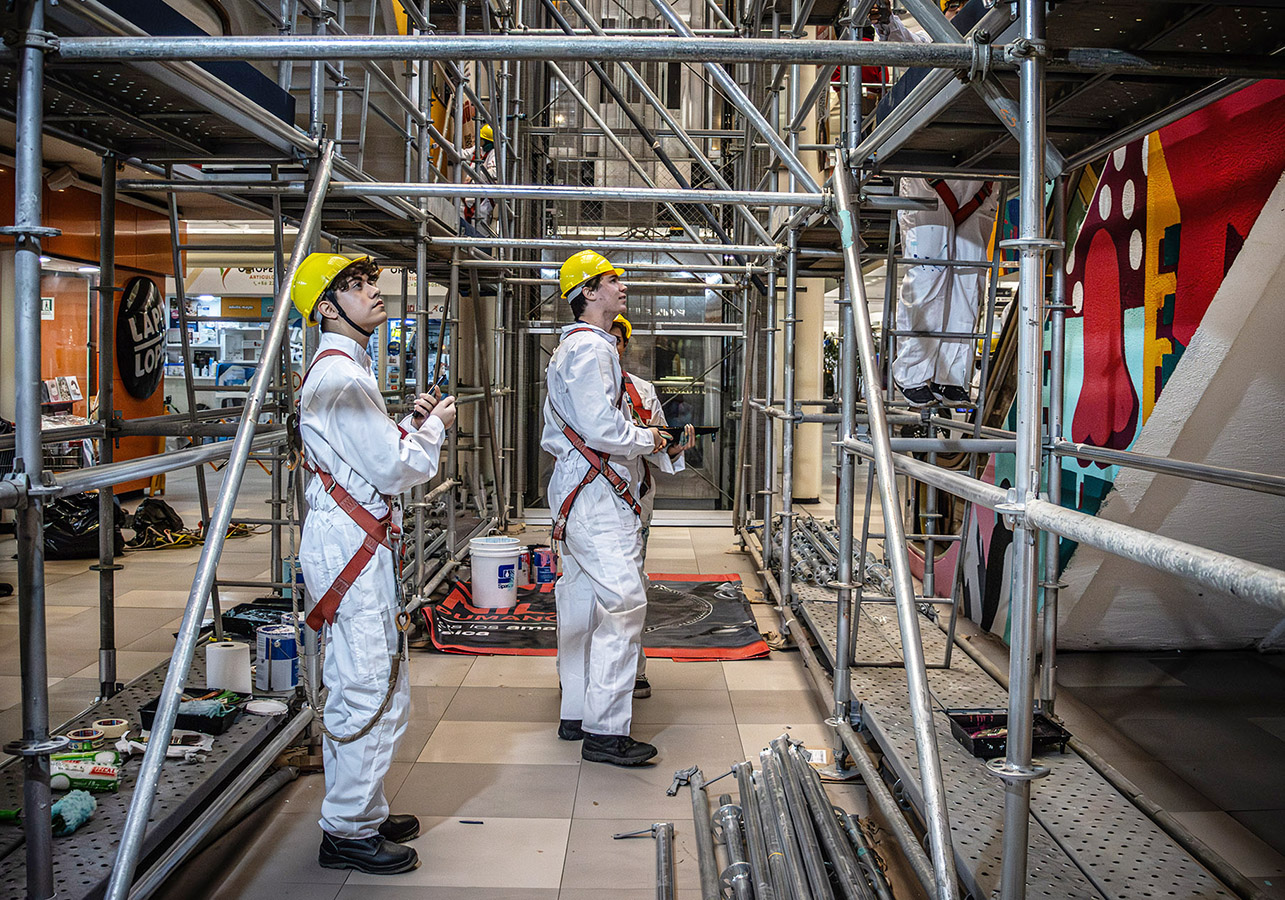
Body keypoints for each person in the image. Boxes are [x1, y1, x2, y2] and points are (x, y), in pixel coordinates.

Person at [292, 253, 456, 874]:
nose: (373, 291)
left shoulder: (350, 371)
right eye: (356, 287)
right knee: (366, 683)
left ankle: (364, 804)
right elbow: (394, 468)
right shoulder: (340, 377)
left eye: (371, 282)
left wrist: (408, 425)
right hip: (351, 547)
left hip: (356, 541)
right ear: (327, 308)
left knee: (380, 679)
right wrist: (432, 431)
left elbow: (369, 454)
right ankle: (347, 830)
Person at [542, 250, 669, 766]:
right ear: (588, 292)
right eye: (613, 280)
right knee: (622, 605)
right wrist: (648, 438)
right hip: (597, 495)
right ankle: (606, 731)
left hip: (576, 489)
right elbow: (601, 428)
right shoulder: (592, 350)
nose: (622, 285)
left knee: (577, 606)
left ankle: (576, 712)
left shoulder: (570, 349)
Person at [871, 0, 998, 407]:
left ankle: (951, 377)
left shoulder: (998, 37)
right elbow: (906, 44)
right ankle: (912, 374)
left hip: (976, 184)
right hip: (932, 181)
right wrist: (884, 20)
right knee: (926, 281)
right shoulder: (937, 36)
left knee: (967, 284)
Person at [608, 313, 695, 699]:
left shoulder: (641, 390)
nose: (611, 347)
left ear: (624, 347)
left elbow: (658, 445)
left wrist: (672, 446)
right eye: (605, 338)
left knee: (632, 582)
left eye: (618, 341)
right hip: (585, 497)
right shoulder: (570, 383)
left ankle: (634, 668)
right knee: (582, 589)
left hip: (634, 496)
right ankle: (577, 672)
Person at [463, 123, 498, 232]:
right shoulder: (479, 149)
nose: (480, 141)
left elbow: (493, 173)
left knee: (479, 229)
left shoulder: (494, 153)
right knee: (463, 226)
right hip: (469, 195)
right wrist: (446, 145)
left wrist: (474, 175)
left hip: (483, 197)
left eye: (482, 139)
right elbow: (464, 154)